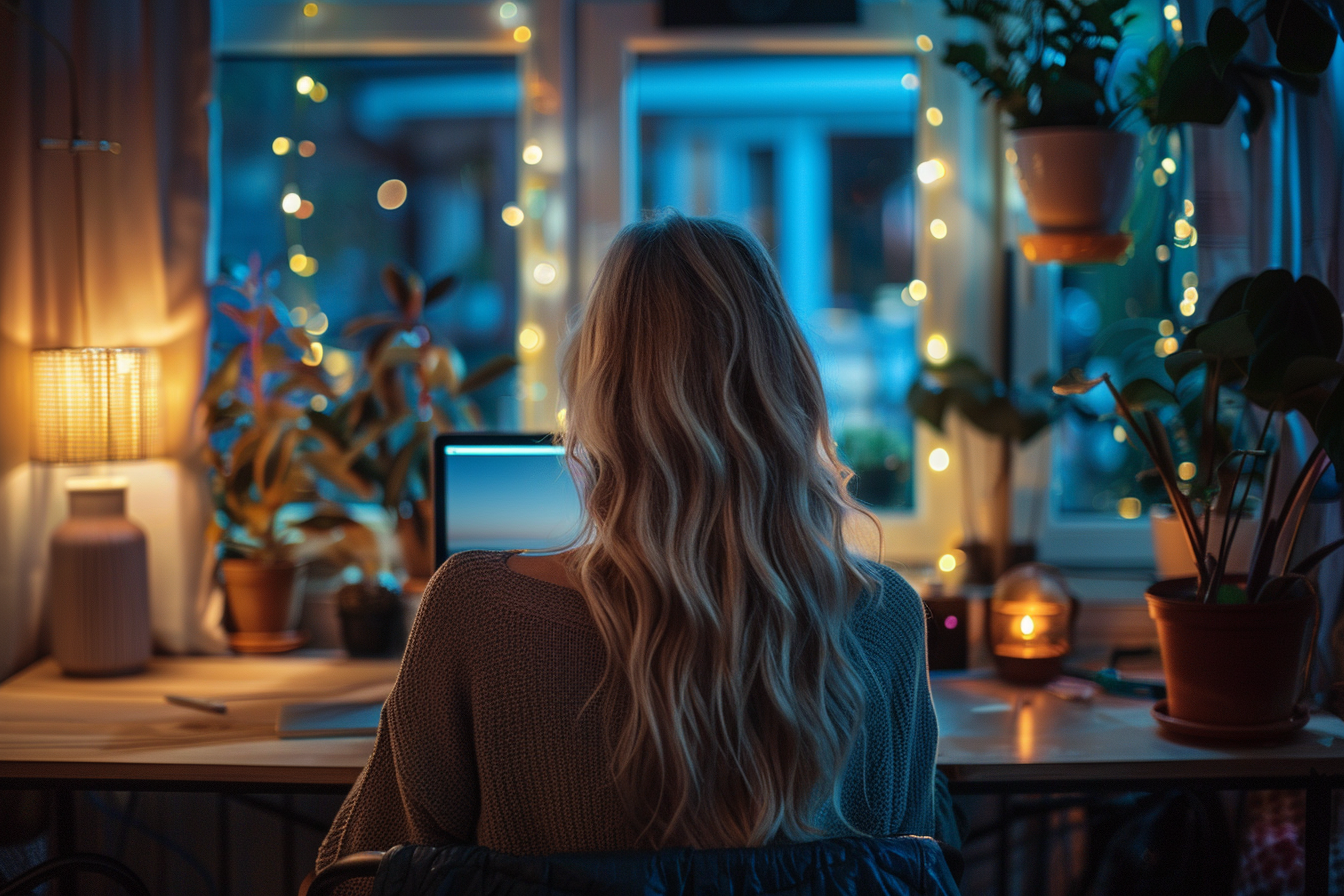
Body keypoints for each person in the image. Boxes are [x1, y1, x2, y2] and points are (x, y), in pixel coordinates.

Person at [316, 212, 941, 872]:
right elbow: (906, 873)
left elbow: (360, 878)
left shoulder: (473, 612)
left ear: (598, 390)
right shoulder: (886, 620)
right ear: (787, 385)